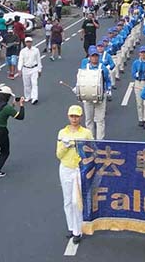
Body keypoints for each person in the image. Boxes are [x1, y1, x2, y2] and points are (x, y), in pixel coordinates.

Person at [56, 105, 93, 245]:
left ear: (81, 117)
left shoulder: (86, 133)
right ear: (68, 116)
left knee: (76, 201)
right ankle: (71, 228)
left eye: (76, 116)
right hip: (65, 168)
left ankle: (78, 230)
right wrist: (66, 146)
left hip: (80, 170)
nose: (74, 119)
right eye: (72, 116)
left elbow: (93, 150)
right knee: (67, 201)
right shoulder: (62, 133)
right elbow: (58, 155)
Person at [80, 46, 111, 140]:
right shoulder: (85, 67)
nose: (95, 58)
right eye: (93, 56)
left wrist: (108, 89)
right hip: (88, 96)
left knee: (100, 119)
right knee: (89, 119)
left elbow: (107, 80)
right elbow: (81, 79)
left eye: (96, 56)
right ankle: (90, 140)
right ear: (89, 57)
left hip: (100, 96)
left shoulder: (103, 68)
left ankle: (100, 141)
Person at [17, 37, 42, 105]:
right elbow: (20, 61)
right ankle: (28, 97)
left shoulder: (36, 50)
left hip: (34, 69)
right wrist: (19, 70)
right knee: (27, 84)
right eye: (27, 42)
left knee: (34, 83)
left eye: (30, 42)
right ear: (25, 43)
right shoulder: (23, 51)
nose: (28, 43)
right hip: (25, 69)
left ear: (32, 42)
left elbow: (38, 60)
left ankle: (34, 98)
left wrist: (39, 69)